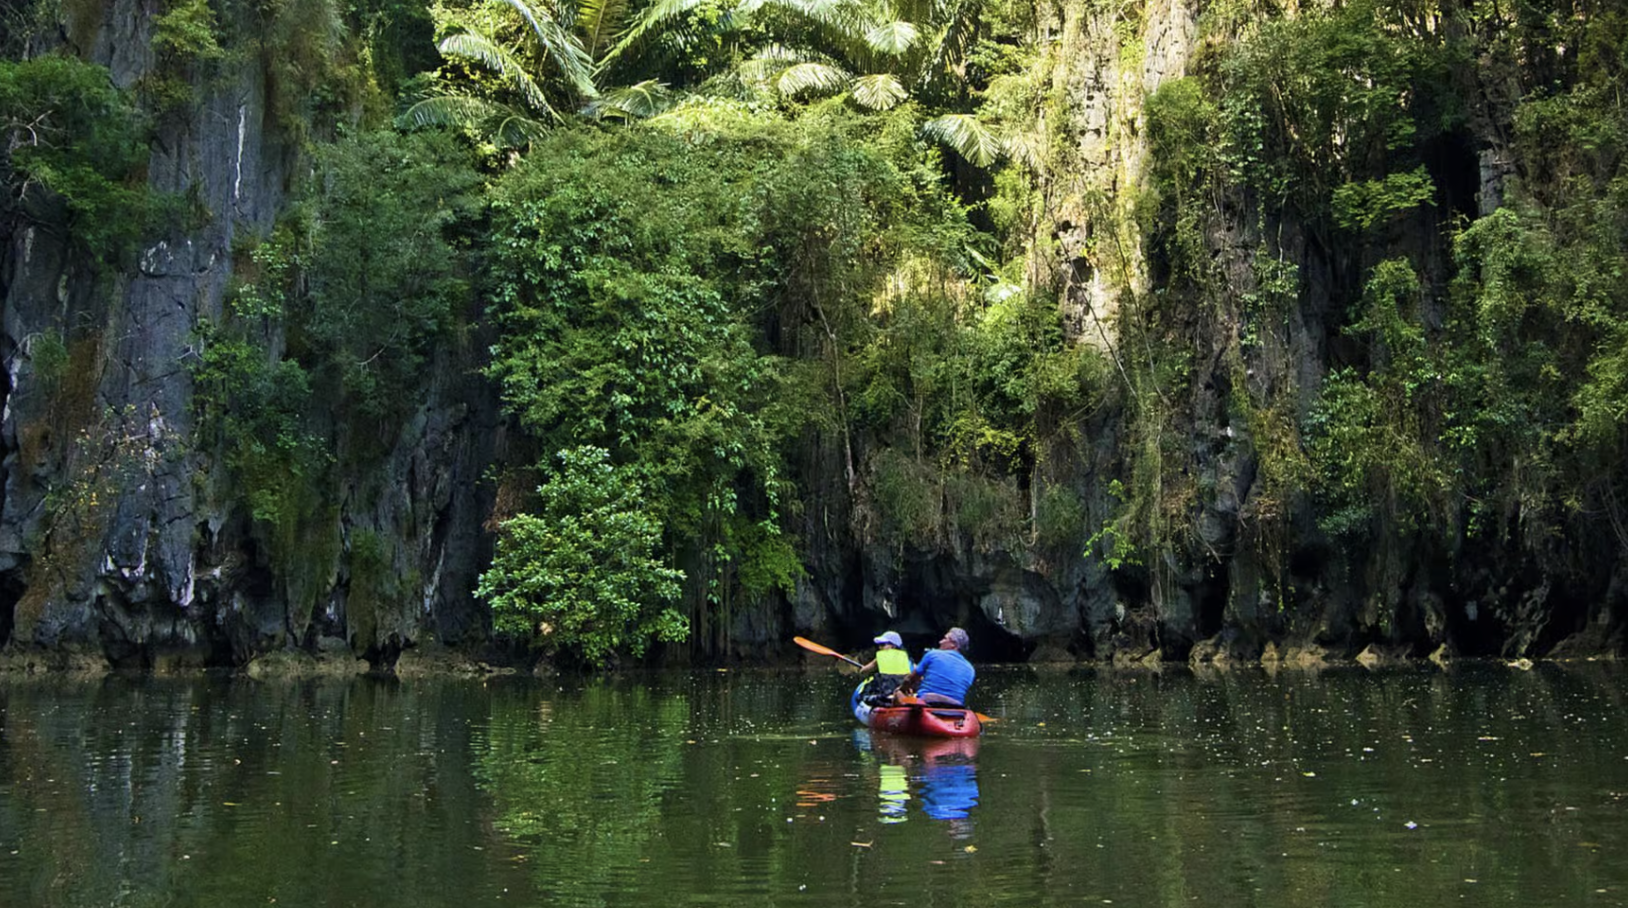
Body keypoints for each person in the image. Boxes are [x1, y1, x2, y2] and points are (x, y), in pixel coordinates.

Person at [906, 627, 975, 706]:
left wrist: (902, 688)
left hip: (927, 703)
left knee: (899, 693)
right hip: (956, 707)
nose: (940, 642)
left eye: (945, 639)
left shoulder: (933, 654)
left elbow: (910, 679)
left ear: (953, 644)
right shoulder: (970, 669)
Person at [858, 631, 910, 705]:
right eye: (879, 645)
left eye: (883, 645)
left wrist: (862, 669)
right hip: (900, 689)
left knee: (865, 691)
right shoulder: (905, 657)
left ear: (893, 646)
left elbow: (864, 670)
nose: (880, 647)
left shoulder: (880, 656)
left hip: (886, 690)